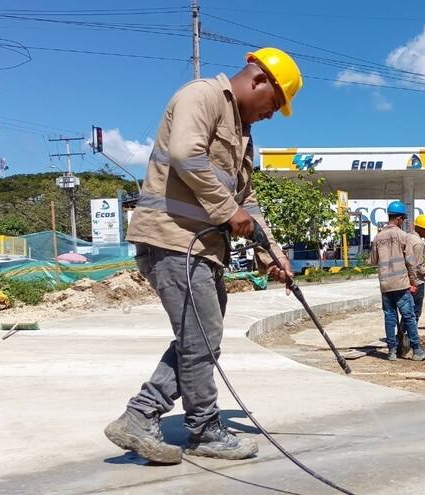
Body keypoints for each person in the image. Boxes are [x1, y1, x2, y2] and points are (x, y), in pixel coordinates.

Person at [104, 47, 302, 465]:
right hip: (172, 239)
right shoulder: (203, 96)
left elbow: (247, 203)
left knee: (201, 339)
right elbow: (186, 155)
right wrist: (229, 211)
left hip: (204, 249)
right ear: (259, 79)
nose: (271, 114)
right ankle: (203, 428)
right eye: (275, 104)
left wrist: (274, 257)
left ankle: (139, 416)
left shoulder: (244, 135)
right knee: (202, 338)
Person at [370, 201, 425, 362]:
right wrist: (413, 281)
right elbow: (411, 262)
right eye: (402, 219)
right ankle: (417, 350)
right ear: (398, 218)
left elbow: (373, 260)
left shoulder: (377, 237)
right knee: (409, 317)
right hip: (401, 283)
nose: (403, 222)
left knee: (389, 317)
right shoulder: (403, 236)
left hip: (385, 284)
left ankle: (391, 351)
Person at [396, 214, 425, 356]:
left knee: (406, 313)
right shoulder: (418, 243)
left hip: (403, 281)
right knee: (414, 314)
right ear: (420, 228)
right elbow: (418, 267)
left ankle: (400, 342)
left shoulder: (406, 237)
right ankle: (410, 344)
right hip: (416, 282)